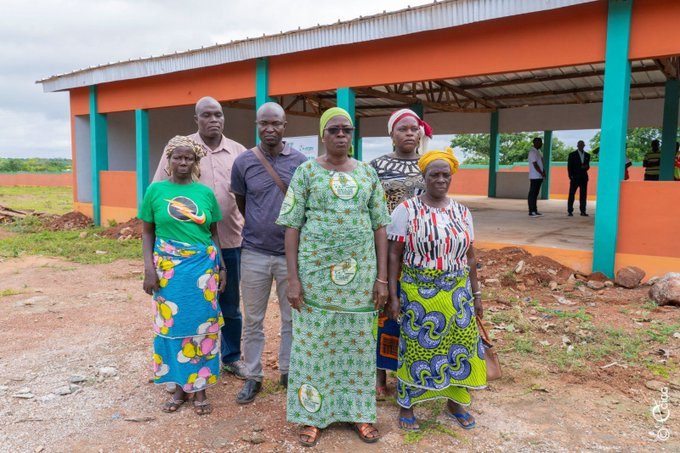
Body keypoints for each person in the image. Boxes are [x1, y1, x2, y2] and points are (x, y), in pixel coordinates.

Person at [277, 107, 391, 447]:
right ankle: (312, 417)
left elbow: (381, 227)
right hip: (314, 279)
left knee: (356, 345)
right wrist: (293, 279)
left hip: (359, 281)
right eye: (334, 130)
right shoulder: (306, 172)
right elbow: (292, 226)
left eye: (347, 129)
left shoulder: (368, 174)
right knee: (314, 346)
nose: (341, 135)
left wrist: (382, 279)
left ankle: (359, 413)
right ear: (323, 136)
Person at [386, 148, 486, 432]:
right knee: (416, 350)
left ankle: (454, 402)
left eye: (446, 175)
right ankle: (407, 405)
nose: (441, 179)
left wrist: (476, 295)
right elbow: (395, 254)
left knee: (460, 348)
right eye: (435, 175)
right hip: (418, 294)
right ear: (424, 177)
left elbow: (469, 255)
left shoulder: (462, 212)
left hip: (457, 294)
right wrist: (393, 296)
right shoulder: (406, 210)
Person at [152, 96, 247, 380]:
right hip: (189, 249)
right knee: (190, 306)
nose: (214, 120)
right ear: (197, 119)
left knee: (229, 304)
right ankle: (188, 363)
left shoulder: (238, 152)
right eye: (207, 115)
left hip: (230, 240)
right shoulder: (183, 150)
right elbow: (161, 192)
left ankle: (230, 357)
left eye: (218, 115)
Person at [141, 136, 226, 415]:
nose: (183, 162)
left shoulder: (205, 194)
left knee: (202, 328)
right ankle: (179, 386)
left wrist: (222, 268)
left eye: (189, 158)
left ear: (196, 162)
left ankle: (199, 387)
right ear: (169, 159)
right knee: (173, 327)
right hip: (168, 272)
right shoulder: (155, 191)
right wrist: (149, 270)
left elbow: (213, 234)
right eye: (178, 157)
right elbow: (148, 232)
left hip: (202, 271)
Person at [231, 102, 308, 404]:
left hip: (292, 256)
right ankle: (253, 376)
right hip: (254, 253)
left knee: (292, 318)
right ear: (257, 125)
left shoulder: (301, 162)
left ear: (285, 126)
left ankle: (288, 371)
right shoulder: (244, 162)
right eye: (264, 123)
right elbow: (242, 204)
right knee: (253, 320)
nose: (270, 129)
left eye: (276, 123)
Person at [370, 108, 431, 400]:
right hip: (384, 250)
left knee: (415, 312)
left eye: (414, 129)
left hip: (420, 253)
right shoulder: (376, 167)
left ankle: (410, 372)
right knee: (385, 311)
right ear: (391, 134)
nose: (409, 133)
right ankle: (380, 374)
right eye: (403, 129)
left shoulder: (430, 164)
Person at [567, 140, 590, 217]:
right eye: (580, 144)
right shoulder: (572, 154)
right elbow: (569, 167)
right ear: (577, 145)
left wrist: (586, 167)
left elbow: (588, 166)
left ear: (584, 145)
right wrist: (571, 176)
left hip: (584, 178)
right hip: (575, 178)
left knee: (583, 195)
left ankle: (583, 211)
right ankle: (570, 211)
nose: (581, 146)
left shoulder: (587, 155)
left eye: (582, 144)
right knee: (571, 194)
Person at [527, 137, 546, 217]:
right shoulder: (532, 152)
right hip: (535, 176)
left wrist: (543, 172)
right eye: (539, 142)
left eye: (541, 142)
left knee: (535, 194)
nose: (541, 144)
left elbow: (541, 163)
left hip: (539, 176)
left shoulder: (538, 152)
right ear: (535, 143)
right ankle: (531, 212)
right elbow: (535, 164)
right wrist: (541, 173)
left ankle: (535, 210)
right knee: (532, 194)